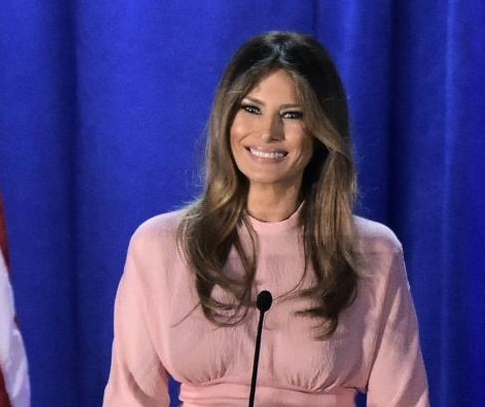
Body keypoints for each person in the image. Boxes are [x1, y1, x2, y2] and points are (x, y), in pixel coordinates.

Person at [103, 31, 429, 406]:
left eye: (291, 115)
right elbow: (130, 397)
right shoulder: (159, 245)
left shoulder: (373, 252)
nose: (267, 133)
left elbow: (403, 400)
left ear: (321, 131)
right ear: (227, 119)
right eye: (251, 109)